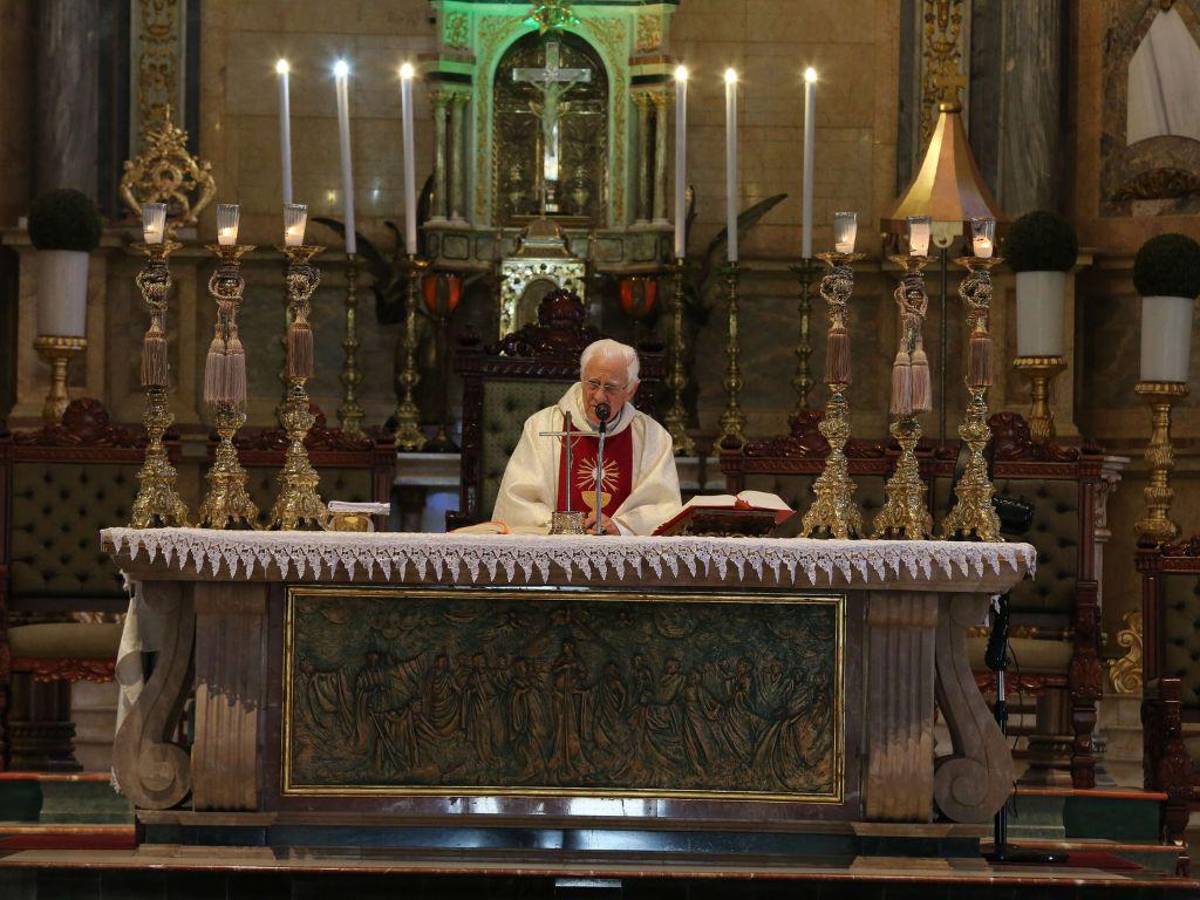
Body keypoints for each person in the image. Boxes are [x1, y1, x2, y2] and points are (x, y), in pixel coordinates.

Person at [492, 338, 681, 535]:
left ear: (631, 390)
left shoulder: (653, 437)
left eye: (610, 387)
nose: (599, 396)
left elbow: (663, 507)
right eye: (593, 384)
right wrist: (566, 525)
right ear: (582, 379)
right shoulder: (542, 427)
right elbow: (518, 501)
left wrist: (621, 526)